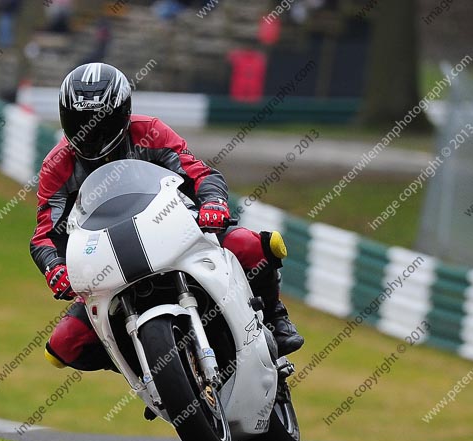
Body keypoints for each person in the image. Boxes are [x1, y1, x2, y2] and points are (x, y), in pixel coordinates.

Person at [30, 62, 304, 376]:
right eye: (79, 122)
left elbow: (199, 173)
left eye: (100, 122)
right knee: (62, 346)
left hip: (174, 232)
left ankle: (274, 317)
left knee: (256, 245)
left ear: (123, 112)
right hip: (107, 259)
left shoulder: (150, 131)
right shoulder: (57, 164)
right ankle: (147, 366)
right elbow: (45, 234)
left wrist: (213, 203)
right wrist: (54, 267)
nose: (90, 132)